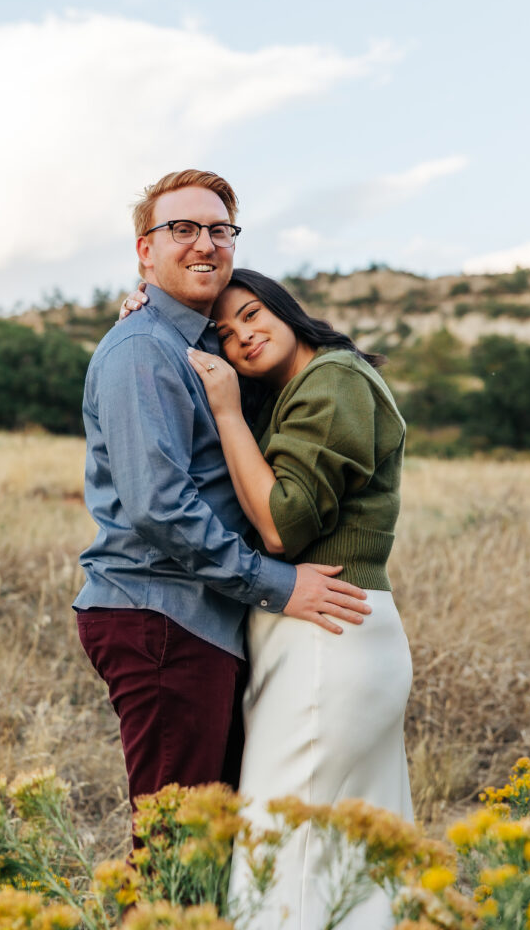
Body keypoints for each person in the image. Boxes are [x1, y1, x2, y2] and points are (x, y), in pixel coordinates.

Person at [74, 170, 371, 826]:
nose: (203, 243)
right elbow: (159, 509)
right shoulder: (143, 352)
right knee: (179, 848)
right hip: (162, 616)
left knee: (214, 840)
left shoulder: (200, 343)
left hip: (195, 616)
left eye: (218, 229)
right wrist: (278, 585)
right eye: (180, 229)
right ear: (144, 250)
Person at [122, 268, 414, 930]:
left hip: (325, 635)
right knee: (350, 855)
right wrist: (147, 315)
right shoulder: (294, 389)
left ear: (284, 308)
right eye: (223, 333)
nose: (243, 336)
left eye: (253, 314)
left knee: (275, 843)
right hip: (330, 629)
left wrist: (225, 409)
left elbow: (282, 525)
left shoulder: (333, 380)